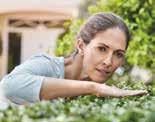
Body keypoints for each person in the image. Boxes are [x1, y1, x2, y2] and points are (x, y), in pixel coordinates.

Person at [0, 12, 147, 105]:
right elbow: (9, 86)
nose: (109, 62)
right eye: (102, 49)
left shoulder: (99, 97)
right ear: (81, 46)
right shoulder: (47, 65)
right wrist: (93, 88)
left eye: (118, 54)